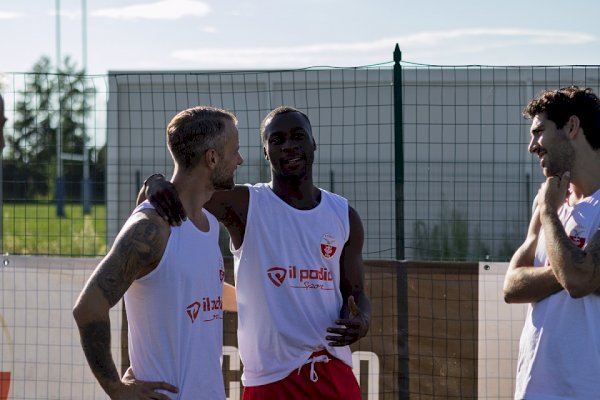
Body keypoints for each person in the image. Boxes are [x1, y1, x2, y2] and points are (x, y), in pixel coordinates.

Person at [142, 106, 371, 399]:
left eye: (297, 136)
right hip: (269, 378)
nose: (288, 145)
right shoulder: (245, 204)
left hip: (332, 372)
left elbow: (356, 294)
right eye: (277, 140)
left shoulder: (343, 215)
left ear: (313, 142)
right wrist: (153, 183)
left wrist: (361, 320)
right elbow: (177, 193)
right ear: (265, 152)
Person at [73, 106, 243, 399]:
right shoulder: (151, 227)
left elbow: (205, 291)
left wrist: (273, 304)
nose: (239, 159)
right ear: (212, 158)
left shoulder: (209, 224)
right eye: (235, 151)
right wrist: (116, 389)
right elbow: (89, 307)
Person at [503, 86, 600, 399]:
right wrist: (574, 266)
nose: (532, 146)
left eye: (539, 132)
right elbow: (512, 286)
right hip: (533, 390)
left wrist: (548, 213)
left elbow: (578, 281)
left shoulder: (547, 205)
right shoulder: (549, 199)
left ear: (572, 126)